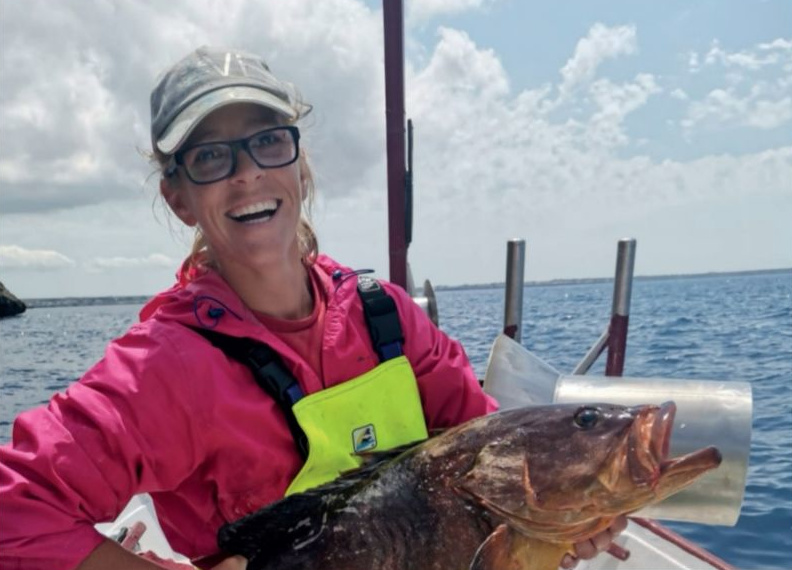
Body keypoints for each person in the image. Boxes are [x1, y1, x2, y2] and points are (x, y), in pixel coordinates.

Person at [0, 46, 625, 570]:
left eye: (268, 142)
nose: (246, 174)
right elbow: (16, 504)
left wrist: (567, 517)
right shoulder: (168, 367)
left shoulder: (390, 320)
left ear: (299, 165)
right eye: (211, 156)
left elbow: (490, 456)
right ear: (179, 197)